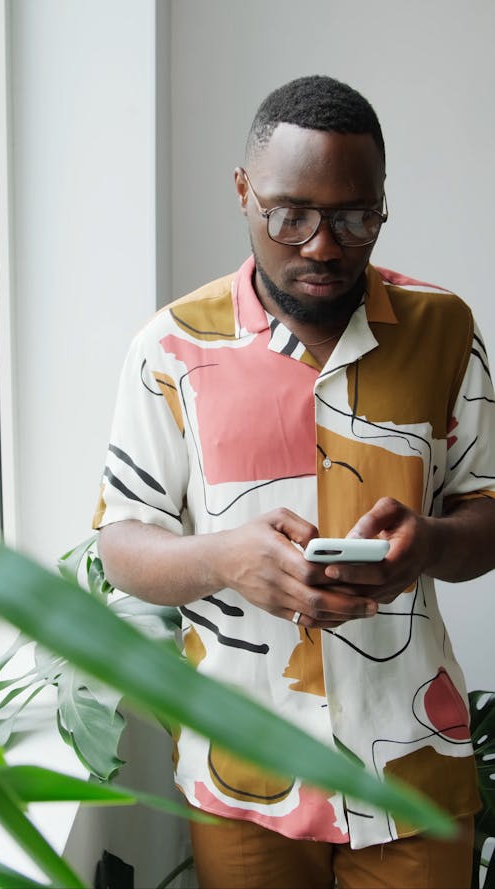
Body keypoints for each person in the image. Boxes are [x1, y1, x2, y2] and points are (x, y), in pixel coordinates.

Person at [93, 75, 495, 888]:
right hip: (244, 775)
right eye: (290, 215)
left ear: (382, 203)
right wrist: (227, 559)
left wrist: (432, 544)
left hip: (411, 768)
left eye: (354, 216)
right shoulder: (168, 347)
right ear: (243, 193)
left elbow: (487, 508)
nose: (322, 244)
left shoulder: (441, 327)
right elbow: (122, 542)